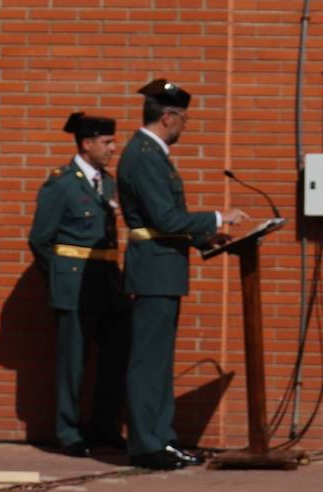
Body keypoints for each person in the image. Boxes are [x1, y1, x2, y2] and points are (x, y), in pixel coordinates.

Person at [119, 79, 245, 470]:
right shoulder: (142, 155)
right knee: (148, 362)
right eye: (184, 119)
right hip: (154, 268)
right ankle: (147, 444)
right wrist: (218, 217)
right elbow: (164, 217)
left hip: (164, 266)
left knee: (160, 361)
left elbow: (168, 221)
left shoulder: (152, 154)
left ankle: (162, 437)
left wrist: (205, 238)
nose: (185, 127)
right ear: (169, 117)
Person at [29, 112, 128, 458]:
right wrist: (59, 278)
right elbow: (40, 239)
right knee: (73, 361)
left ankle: (105, 425)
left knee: (115, 356)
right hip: (74, 284)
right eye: (106, 142)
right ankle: (68, 430)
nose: (113, 148)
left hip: (107, 283)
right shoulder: (62, 182)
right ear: (86, 144)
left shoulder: (109, 182)